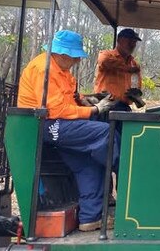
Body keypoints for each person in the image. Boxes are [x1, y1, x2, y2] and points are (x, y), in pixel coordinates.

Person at [18, 30, 117, 232]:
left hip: (60, 123)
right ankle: (128, 169)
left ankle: (91, 218)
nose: (77, 62)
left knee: (87, 163)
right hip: (45, 125)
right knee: (104, 132)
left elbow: (65, 95)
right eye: (75, 57)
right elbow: (56, 109)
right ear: (63, 54)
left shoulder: (61, 70)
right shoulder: (43, 69)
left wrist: (84, 98)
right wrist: (94, 109)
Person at [94, 28, 143, 112]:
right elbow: (103, 61)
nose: (132, 45)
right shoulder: (107, 55)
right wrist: (127, 69)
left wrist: (136, 94)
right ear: (119, 40)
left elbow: (137, 85)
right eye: (129, 41)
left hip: (124, 107)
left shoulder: (134, 64)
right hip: (105, 105)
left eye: (134, 42)